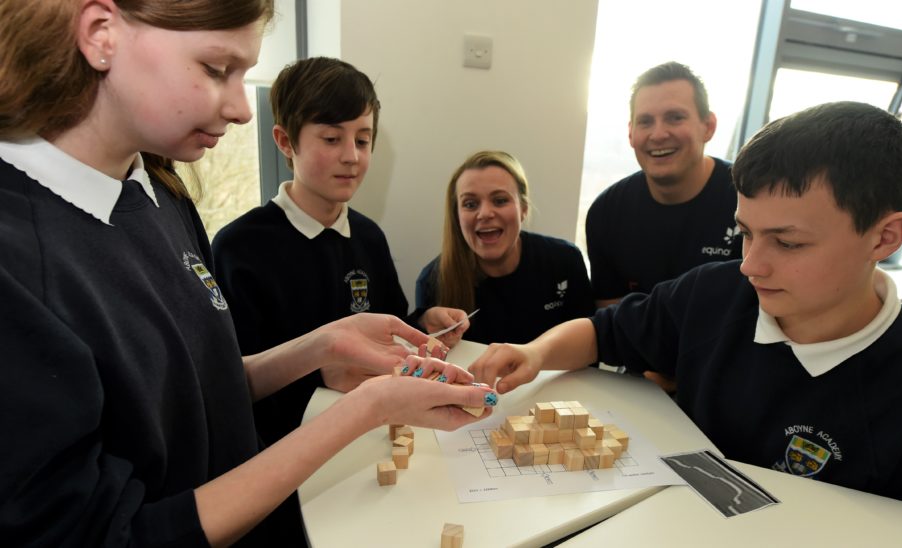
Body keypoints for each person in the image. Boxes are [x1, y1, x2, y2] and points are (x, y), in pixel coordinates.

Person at [0, 1, 497, 546]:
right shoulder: (19, 258)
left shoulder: (158, 191)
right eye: (217, 70)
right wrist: (367, 408)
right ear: (101, 34)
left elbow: (199, 390)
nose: (241, 109)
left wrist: (325, 343)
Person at [468, 102, 902, 509]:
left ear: (885, 236)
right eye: (747, 233)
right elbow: (604, 331)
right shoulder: (713, 293)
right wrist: (536, 353)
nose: (750, 266)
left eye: (788, 243)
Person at [211, 57, 469, 446]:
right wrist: (321, 373)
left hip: (372, 438)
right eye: (332, 139)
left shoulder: (369, 237)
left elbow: (391, 326)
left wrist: (424, 323)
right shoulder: (238, 248)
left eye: (363, 140)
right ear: (285, 141)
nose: (352, 156)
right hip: (286, 452)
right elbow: (232, 384)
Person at [586, 61, 740, 307]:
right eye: (645, 122)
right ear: (631, 133)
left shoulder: (749, 199)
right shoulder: (606, 213)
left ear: (708, 127)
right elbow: (611, 326)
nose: (658, 134)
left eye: (675, 118)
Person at [415, 150, 595, 345]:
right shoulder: (432, 281)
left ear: (523, 209)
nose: (484, 213)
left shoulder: (565, 261)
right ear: (457, 217)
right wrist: (422, 323)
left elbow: (589, 350)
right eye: (470, 204)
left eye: (500, 200)